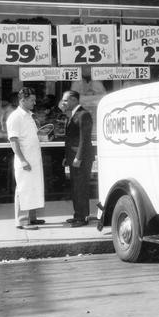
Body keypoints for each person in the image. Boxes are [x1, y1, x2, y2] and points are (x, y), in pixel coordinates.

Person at [6, 87, 45, 230]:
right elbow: (13, 141)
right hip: (25, 159)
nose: (34, 103)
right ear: (22, 100)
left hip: (34, 158)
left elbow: (34, 135)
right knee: (23, 189)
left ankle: (32, 218)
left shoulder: (30, 115)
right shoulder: (15, 117)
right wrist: (22, 160)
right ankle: (22, 221)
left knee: (34, 187)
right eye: (31, 100)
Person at [59, 90, 94, 227]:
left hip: (81, 159)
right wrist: (66, 157)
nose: (63, 103)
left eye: (66, 100)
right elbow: (70, 139)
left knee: (81, 188)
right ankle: (77, 215)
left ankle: (83, 217)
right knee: (75, 188)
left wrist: (78, 157)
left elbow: (84, 139)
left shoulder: (83, 115)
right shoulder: (72, 114)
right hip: (72, 157)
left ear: (74, 100)